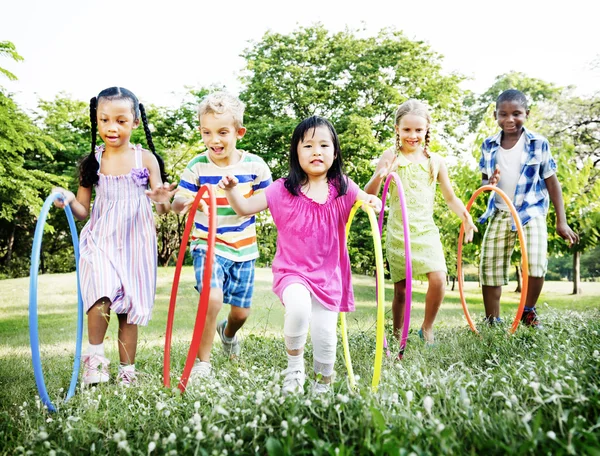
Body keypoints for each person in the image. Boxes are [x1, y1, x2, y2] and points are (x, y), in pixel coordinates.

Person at [219, 115, 381, 394]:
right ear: (296, 152)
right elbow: (244, 208)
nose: (316, 151)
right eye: (308, 146)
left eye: (324, 145)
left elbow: (368, 200)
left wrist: (373, 201)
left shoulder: (344, 187)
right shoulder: (283, 189)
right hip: (292, 271)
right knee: (299, 308)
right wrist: (233, 191)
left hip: (329, 276)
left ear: (335, 151)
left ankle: (322, 387)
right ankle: (294, 370)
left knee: (325, 334)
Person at [53, 87, 176, 386]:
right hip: (101, 240)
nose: (112, 127)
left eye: (121, 120)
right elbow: (83, 210)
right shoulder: (91, 162)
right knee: (100, 295)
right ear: (96, 121)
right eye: (105, 120)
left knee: (129, 311)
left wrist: (161, 198)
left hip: (136, 243)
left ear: (135, 122)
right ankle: (95, 362)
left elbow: (162, 209)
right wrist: (70, 199)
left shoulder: (145, 159)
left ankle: (127, 372)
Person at [171, 92, 272, 381]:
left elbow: (269, 200)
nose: (214, 140)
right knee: (212, 299)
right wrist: (186, 201)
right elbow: (179, 202)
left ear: (239, 132)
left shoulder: (255, 166)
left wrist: (235, 192)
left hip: (244, 249)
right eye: (206, 132)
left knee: (240, 313)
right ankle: (203, 363)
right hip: (207, 244)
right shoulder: (198, 166)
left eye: (222, 132)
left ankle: (227, 334)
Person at [364, 99, 476, 346]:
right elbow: (370, 193)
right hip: (398, 231)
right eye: (406, 130)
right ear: (397, 129)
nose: (412, 135)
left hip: (425, 230)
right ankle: (396, 336)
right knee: (402, 290)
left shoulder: (435, 161)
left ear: (427, 130)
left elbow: (449, 197)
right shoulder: (391, 156)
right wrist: (381, 175)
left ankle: (427, 328)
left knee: (438, 279)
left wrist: (465, 217)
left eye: (418, 130)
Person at [478, 89, 579, 327]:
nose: (509, 119)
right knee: (489, 265)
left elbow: (552, 183)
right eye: (503, 114)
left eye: (516, 113)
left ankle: (528, 311)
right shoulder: (488, 145)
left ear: (527, 114)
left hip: (530, 211)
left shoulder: (538, 144)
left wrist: (560, 220)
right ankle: (492, 320)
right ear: (495, 115)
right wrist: (489, 183)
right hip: (501, 211)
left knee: (535, 262)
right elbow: (484, 181)